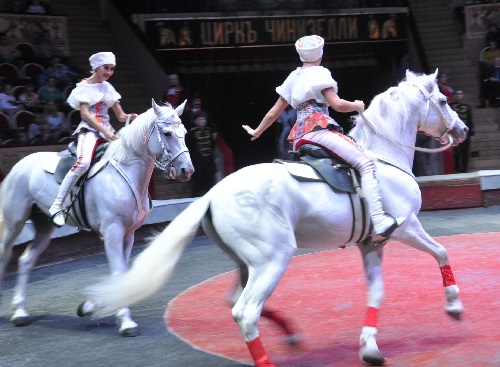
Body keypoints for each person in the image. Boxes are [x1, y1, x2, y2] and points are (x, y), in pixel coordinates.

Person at [242, 35, 405, 237]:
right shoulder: (321, 73)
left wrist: (257, 131)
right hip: (319, 131)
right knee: (366, 164)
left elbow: (273, 113)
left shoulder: (293, 77)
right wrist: (358, 105)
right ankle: (379, 220)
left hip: (300, 138)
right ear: (320, 55)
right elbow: (337, 105)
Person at [49, 51, 138, 227]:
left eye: (112, 69)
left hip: (108, 130)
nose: (109, 72)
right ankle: (57, 205)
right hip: (90, 130)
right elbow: (85, 114)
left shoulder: (108, 88)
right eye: (106, 68)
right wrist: (105, 132)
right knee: (83, 163)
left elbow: (120, 116)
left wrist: (132, 116)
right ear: (97, 67)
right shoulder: (84, 86)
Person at [186, 111, 216, 197]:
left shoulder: (209, 131)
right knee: (198, 181)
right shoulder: (191, 132)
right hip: (197, 161)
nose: (202, 121)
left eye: (203, 119)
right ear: (196, 121)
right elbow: (189, 146)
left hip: (209, 160)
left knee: (210, 180)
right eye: (200, 120)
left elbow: (212, 145)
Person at [450, 89, 474, 173]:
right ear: (455, 95)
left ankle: (464, 169)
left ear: (463, 95)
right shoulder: (451, 106)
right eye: (457, 94)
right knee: (457, 151)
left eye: (461, 94)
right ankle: (457, 167)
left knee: (465, 152)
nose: (459, 95)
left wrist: (471, 132)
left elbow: (470, 120)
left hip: (465, 132)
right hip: (455, 132)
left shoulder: (467, 106)